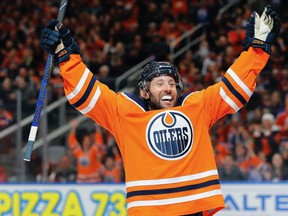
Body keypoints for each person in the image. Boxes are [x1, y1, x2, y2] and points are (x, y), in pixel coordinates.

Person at [39, 4, 280, 216]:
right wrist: (65, 54)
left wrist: (256, 51)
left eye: (172, 83)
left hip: (192, 208)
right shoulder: (125, 113)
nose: (168, 88)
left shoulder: (197, 107)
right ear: (144, 92)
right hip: (148, 210)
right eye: (160, 83)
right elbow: (86, 93)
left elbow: (233, 87)